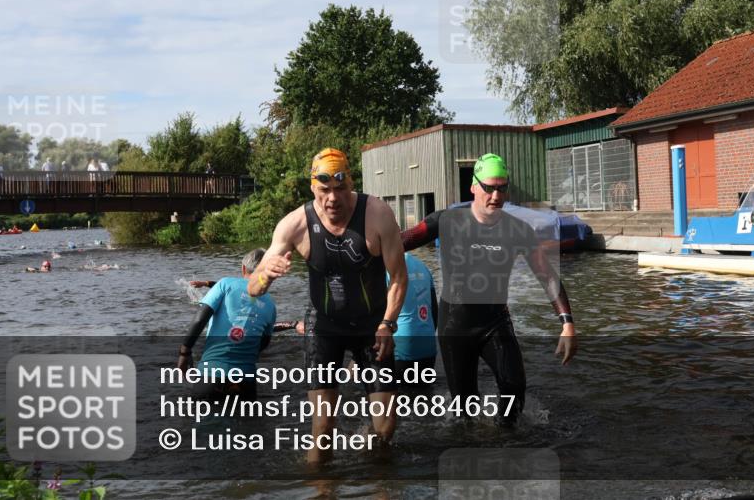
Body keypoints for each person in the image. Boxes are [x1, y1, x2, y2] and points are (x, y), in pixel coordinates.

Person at [247, 147, 407, 463]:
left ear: (350, 183)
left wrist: (388, 323)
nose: (332, 198)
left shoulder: (377, 214)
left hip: (372, 327)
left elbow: (399, 277)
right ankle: (322, 489)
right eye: (324, 190)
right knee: (323, 429)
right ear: (312, 188)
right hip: (324, 327)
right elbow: (253, 288)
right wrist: (266, 273)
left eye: (340, 189)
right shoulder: (294, 224)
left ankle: (375, 476)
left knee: (386, 427)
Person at [401, 153, 577, 426]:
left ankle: (507, 443)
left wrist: (567, 323)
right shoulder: (446, 221)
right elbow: (399, 242)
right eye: (489, 187)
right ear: (473, 187)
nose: (496, 195)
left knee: (514, 390)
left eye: (502, 188)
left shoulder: (518, 230)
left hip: (495, 322)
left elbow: (546, 275)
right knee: (464, 411)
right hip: (455, 327)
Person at [177, 249, 276, 401]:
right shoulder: (270, 304)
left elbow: (200, 319)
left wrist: (185, 352)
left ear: (243, 268)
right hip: (246, 383)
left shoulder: (225, 284)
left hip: (211, 377)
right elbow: (263, 342)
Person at [391, 252, 438, 396]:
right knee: (423, 400)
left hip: (402, 351)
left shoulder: (386, 268)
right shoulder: (422, 266)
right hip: (428, 350)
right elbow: (434, 312)